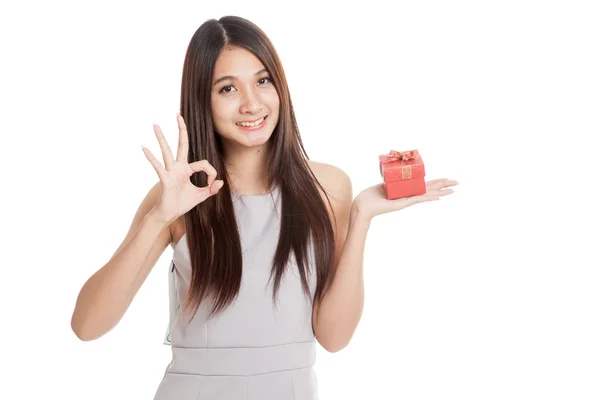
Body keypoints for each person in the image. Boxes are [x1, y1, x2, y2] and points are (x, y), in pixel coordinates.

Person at [70, 15, 458, 400]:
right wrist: (159, 217)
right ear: (202, 100)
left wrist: (361, 218)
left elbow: (334, 338)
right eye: (227, 89)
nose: (252, 104)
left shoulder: (328, 187)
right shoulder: (177, 197)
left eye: (262, 80)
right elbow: (87, 326)